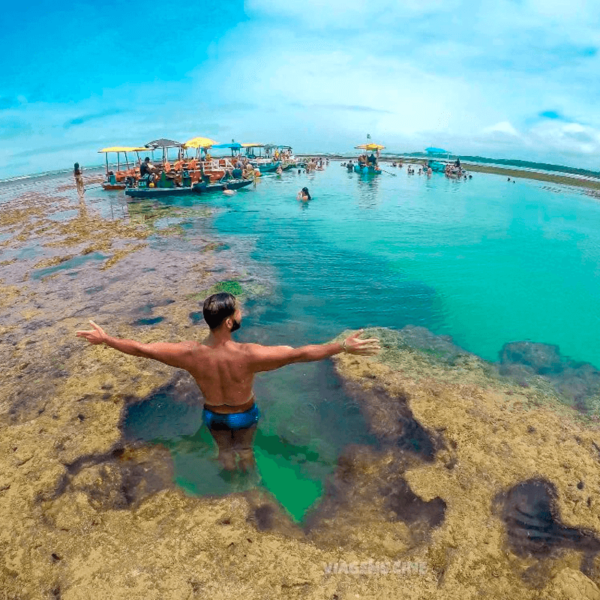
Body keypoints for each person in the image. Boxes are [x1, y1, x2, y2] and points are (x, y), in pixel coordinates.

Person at [76, 293, 379, 472]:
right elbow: (299, 354)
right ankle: (250, 487)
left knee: (223, 452)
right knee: (246, 450)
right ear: (229, 322)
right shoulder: (249, 355)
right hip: (244, 414)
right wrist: (342, 346)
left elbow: (142, 348)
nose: (241, 313)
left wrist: (106, 340)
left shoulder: (189, 354)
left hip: (213, 416)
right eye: (238, 310)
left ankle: (230, 484)